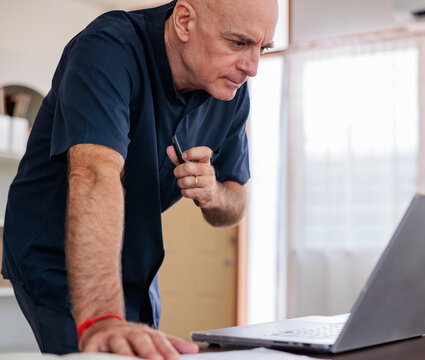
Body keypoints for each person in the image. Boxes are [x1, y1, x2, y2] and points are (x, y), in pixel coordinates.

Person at [1, 0, 278, 358]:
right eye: (238, 43)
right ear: (184, 21)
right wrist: (103, 318)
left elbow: (235, 204)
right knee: (105, 348)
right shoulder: (107, 47)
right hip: (56, 252)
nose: (252, 67)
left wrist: (214, 193)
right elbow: (95, 172)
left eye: (263, 47)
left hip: (136, 254)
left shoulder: (230, 87)